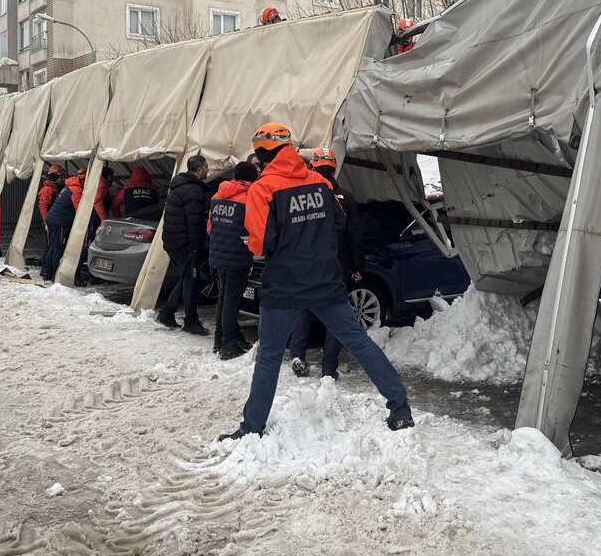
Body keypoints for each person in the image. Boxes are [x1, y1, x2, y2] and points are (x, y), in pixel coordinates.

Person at [218, 124, 413, 441]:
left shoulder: (263, 190)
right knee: (359, 342)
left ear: (263, 152)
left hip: (283, 284)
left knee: (269, 356)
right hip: (325, 280)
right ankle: (400, 407)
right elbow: (339, 223)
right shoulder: (320, 183)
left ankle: (252, 427)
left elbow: (257, 244)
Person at [287, 148, 366, 380]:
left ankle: (298, 357)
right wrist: (359, 266)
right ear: (334, 168)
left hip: (305, 264)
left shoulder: (301, 196)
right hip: (336, 265)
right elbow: (355, 235)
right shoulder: (346, 198)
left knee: (303, 308)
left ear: (313, 166)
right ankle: (328, 368)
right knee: (334, 314)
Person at [207, 161, 259, 360]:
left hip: (219, 254)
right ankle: (228, 343)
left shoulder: (217, 195)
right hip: (238, 254)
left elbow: (210, 227)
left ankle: (220, 339)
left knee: (224, 296)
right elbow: (255, 227)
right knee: (231, 299)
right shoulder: (249, 198)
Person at [155, 155, 210, 336]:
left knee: (186, 277)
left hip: (172, 240)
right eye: (207, 167)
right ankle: (190, 320)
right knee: (190, 280)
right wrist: (196, 247)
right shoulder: (193, 190)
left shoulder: (178, 186)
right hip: (184, 244)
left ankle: (167, 312)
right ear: (200, 169)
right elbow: (194, 222)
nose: (208, 170)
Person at [41, 169, 84, 281]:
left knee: (53, 247)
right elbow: (79, 210)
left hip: (53, 220)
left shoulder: (68, 187)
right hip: (59, 222)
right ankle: (56, 274)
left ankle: (47, 272)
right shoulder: (76, 190)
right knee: (58, 248)